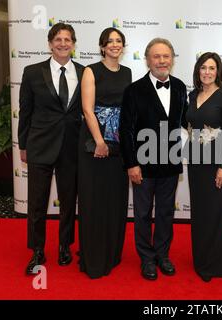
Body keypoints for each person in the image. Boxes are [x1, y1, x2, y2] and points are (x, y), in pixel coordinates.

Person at [18, 23, 84, 275]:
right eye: (58, 39)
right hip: (40, 144)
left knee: (69, 201)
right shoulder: (33, 72)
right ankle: (37, 250)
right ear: (50, 43)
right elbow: (25, 111)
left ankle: (65, 246)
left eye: (68, 39)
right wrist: (23, 144)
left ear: (73, 44)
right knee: (37, 202)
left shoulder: (83, 71)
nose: (63, 43)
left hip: (71, 146)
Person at [121, 38, 188, 280]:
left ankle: (162, 254)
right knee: (141, 213)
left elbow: (186, 122)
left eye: (166, 56)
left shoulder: (180, 87)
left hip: (170, 163)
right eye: (156, 56)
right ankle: (146, 258)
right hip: (142, 165)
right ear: (148, 60)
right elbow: (126, 130)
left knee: (165, 212)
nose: (162, 61)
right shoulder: (134, 90)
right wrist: (131, 163)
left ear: (172, 59)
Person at [77, 28, 131, 279]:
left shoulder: (128, 72)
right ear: (101, 46)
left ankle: (112, 252)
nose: (114, 45)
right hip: (95, 144)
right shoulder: (91, 71)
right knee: (95, 199)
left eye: (118, 41)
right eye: (109, 42)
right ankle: (95, 256)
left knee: (115, 198)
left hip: (119, 145)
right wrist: (100, 142)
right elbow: (88, 110)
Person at [186, 52, 222, 282]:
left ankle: (220, 263)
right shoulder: (192, 95)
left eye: (212, 68)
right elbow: (187, 122)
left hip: (215, 163)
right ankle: (202, 258)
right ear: (198, 71)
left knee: (215, 211)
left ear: (218, 72)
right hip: (195, 162)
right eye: (203, 68)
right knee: (200, 211)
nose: (207, 72)